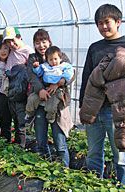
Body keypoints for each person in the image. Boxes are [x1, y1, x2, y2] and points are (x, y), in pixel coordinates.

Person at [79, 4, 125, 186]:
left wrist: (121, 93)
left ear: (118, 22)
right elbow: (87, 77)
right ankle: (95, 185)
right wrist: (82, 105)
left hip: (117, 112)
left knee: (121, 156)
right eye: (99, 23)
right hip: (94, 110)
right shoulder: (95, 48)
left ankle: (123, 188)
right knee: (94, 153)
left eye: (107, 22)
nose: (103, 27)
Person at [27, 29, 73, 167]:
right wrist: (40, 89)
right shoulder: (33, 59)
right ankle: (44, 168)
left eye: (44, 41)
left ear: (49, 41)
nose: (41, 45)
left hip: (57, 103)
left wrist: (59, 83)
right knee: (41, 140)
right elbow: (32, 76)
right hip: (40, 103)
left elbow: (71, 73)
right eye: (37, 42)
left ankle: (64, 171)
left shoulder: (59, 54)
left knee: (60, 142)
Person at [2, 26, 34, 148]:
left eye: (12, 40)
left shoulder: (28, 51)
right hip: (12, 92)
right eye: (8, 42)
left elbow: (31, 72)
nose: (11, 44)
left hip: (22, 93)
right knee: (15, 118)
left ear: (19, 37)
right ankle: (17, 144)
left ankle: (22, 146)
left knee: (21, 121)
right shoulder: (11, 53)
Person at [25, 45, 74, 124]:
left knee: (51, 106)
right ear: (47, 60)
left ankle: (50, 117)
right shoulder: (45, 66)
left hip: (56, 90)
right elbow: (38, 72)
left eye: (55, 59)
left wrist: (62, 80)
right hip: (45, 88)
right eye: (51, 60)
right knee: (31, 99)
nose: (54, 62)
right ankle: (29, 113)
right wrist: (36, 67)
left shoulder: (63, 66)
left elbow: (71, 72)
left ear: (60, 58)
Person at [0, 34, 15, 141]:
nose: (3, 51)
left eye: (5, 48)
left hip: (6, 93)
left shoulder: (11, 60)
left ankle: (6, 139)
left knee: (6, 118)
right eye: (0, 48)